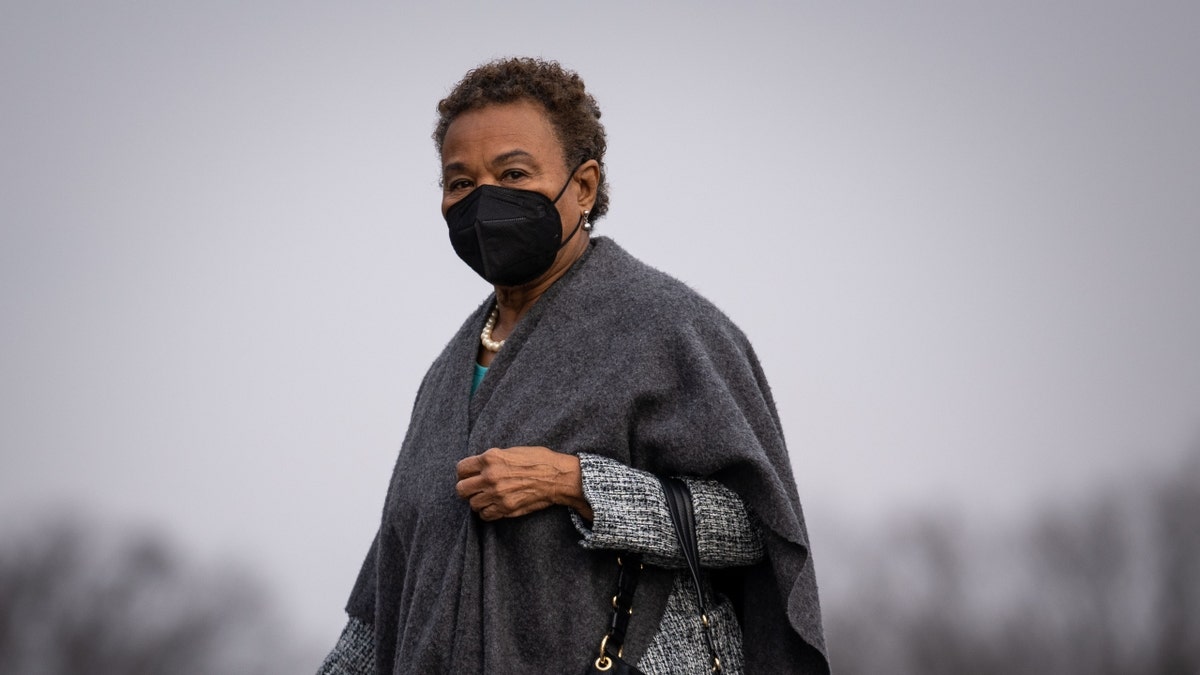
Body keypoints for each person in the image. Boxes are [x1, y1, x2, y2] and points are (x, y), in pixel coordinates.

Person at [317, 57, 828, 674]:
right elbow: (390, 588)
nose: (483, 201)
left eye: (513, 172)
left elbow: (754, 530)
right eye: (459, 183)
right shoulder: (444, 375)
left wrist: (575, 483)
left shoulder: (667, 327)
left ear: (582, 186)